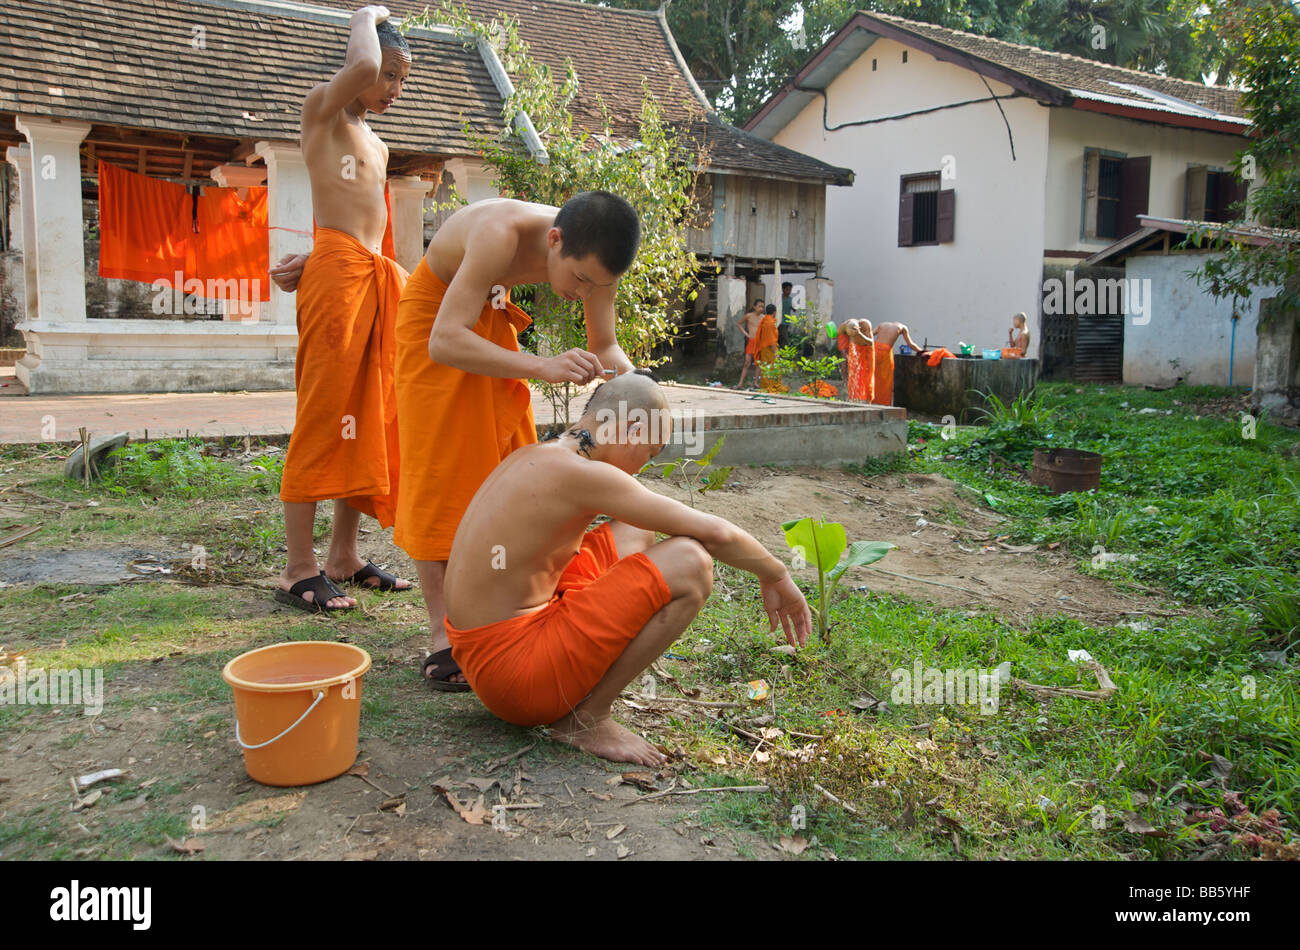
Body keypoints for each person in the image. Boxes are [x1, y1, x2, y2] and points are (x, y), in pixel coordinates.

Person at [442, 373, 812, 765]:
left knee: (637, 527)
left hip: (485, 652)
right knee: (692, 562)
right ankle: (587, 719)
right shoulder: (582, 474)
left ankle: (579, 677)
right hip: (516, 677)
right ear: (633, 430)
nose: (639, 469)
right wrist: (777, 575)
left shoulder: (541, 453)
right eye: (648, 454)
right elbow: (715, 533)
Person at [394, 192, 640, 690]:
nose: (585, 292)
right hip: (438, 322)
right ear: (554, 240)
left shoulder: (597, 262)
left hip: (487, 319)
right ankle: (444, 634)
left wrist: (639, 388)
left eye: (600, 285)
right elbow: (444, 339)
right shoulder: (498, 232)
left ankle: (500, 610)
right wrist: (543, 367)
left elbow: (605, 344)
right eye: (581, 281)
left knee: (509, 465)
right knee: (444, 471)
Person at [270, 5, 415, 613]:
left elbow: (368, 225)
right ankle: (297, 569)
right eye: (390, 77)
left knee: (367, 413)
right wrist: (368, 13)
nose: (392, 89)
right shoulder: (321, 110)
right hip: (336, 280)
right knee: (325, 413)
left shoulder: (376, 145)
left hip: (369, 278)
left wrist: (324, 256)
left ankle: (343, 556)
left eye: (401, 81)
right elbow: (359, 62)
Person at [858, 320, 923, 407]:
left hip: (874, 349)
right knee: (885, 380)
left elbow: (869, 336)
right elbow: (910, 344)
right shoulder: (902, 327)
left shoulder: (882, 324)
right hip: (886, 353)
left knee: (872, 375)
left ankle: (868, 400)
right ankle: (883, 403)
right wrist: (922, 351)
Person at [836, 318, 874, 402]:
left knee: (867, 377)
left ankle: (867, 400)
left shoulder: (865, 324)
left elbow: (871, 342)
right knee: (854, 375)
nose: (853, 335)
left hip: (867, 350)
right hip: (854, 350)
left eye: (853, 333)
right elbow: (836, 335)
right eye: (850, 334)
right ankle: (854, 398)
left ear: (858, 328)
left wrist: (859, 334)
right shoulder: (844, 326)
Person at [734, 298, 765, 389]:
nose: (761, 308)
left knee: (758, 364)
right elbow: (739, 324)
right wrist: (746, 334)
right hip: (751, 341)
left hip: (759, 342)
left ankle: (755, 383)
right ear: (754, 307)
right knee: (747, 362)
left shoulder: (763, 318)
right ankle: (740, 383)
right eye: (759, 306)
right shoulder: (749, 316)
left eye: (762, 307)